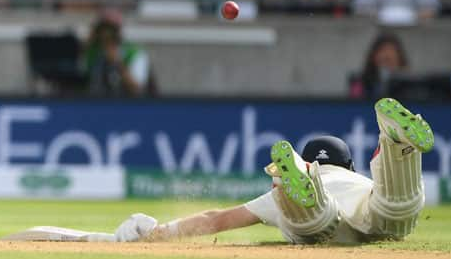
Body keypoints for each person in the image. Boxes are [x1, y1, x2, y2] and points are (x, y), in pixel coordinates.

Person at [108, 99, 434, 245]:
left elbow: (215, 219)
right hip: (370, 205)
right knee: (396, 207)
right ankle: (395, 145)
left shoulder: (275, 198)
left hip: (317, 210)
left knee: (316, 221)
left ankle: (298, 177)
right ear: (349, 166)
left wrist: (157, 234)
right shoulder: (359, 181)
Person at [83, 11, 153, 97]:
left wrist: (118, 63)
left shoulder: (134, 53)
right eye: (101, 29)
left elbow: (137, 89)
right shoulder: (93, 53)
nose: (105, 35)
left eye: (110, 30)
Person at [351, 34, 410, 99]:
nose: (387, 55)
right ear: (373, 56)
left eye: (391, 51)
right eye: (382, 50)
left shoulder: (411, 85)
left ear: (400, 58)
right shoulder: (360, 83)